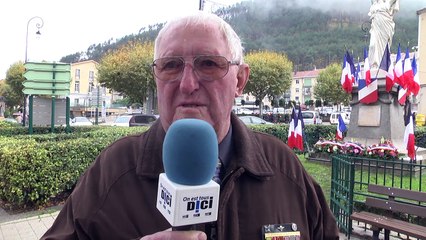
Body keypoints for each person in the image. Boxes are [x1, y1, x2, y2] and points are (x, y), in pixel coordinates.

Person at [41, 11, 339, 240]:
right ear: (156, 77)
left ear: (240, 80)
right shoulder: (113, 171)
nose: (187, 84)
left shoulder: (283, 168)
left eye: (209, 64)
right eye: (170, 65)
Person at [368, 0, 399, 68]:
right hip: (375, 27)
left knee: (384, 46)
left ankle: (382, 65)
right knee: (372, 45)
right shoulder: (374, 4)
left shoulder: (388, 2)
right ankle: (374, 64)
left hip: (385, 26)